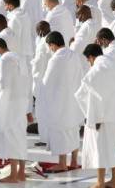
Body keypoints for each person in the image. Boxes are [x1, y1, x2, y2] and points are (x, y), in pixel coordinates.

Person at [79, 44, 115, 188]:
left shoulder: (97, 69)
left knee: (100, 149)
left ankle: (100, 182)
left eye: (88, 60)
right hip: (114, 113)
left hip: (100, 117)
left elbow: (86, 93)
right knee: (113, 148)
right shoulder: (113, 64)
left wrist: (92, 116)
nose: (89, 63)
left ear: (91, 56)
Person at [41, 32, 85, 171]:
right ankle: (73, 161)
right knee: (73, 130)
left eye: (50, 46)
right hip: (74, 100)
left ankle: (62, 163)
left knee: (60, 131)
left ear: (53, 44)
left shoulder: (56, 59)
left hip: (59, 102)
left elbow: (46, 82)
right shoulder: (74, 56)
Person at [0, 37, 30, 183]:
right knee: (20, 136)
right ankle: (21, 173)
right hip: (21, 101)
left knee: (11, 137)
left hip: (9, 103)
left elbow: (2, 85)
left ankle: (13, 174)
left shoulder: (4, 60)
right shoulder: (18, 57)